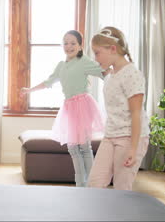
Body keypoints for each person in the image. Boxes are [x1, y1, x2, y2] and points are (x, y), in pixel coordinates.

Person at [20, 30, 108, 187]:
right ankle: (80, 183)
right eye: (66, 43)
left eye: (73, 43)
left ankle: (93, 184)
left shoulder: (84, 61)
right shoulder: (61, 66)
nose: (69, 46)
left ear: (80, 46)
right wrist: (29, 91)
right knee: (73, 147)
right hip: (69, 108)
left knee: (84, 146)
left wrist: (118, 65)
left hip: (83, 106)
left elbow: (103, 71)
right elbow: (49, 82)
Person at [88, 27, 149, 191]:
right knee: (94, 183)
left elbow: (136, 113)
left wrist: (133, 149)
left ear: (113, 49)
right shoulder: (111, 75)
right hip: (110, 135)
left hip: (130, 138)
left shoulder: (132, 74)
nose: (96, 58)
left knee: (122, 189)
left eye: (97, 52)